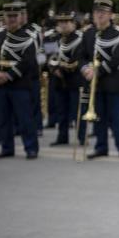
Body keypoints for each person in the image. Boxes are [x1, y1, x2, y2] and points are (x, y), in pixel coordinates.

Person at [79, 0, 119, 158]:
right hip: (95, 84)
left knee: (116, 118)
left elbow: (118, 58)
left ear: (111, 15)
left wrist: (97, 71)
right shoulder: (88, 34)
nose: (99, 15)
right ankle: (101, 147)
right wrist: (85, 69)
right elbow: (81, 56)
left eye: (103, 12)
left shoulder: (118, 35)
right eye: (97, 12)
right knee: (98, 117)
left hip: (114, 83)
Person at [0, 2, 40, 158]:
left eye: (15, 16)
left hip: (19, 84)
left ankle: (31, 148)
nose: (12, 19)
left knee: (25, 118)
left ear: (20, 17)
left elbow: (27, 62)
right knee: (2, 118)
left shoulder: (27, 38)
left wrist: (8, 75)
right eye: (9, 16)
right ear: (4, 17)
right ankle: (7, 147)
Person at [47, 12, 84, 146]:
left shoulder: (80, 39)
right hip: (58, 80)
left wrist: (61, 67)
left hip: (74, 79)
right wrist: (53, 68)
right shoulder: (54, 38)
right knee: (61, 111)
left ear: (73, 24)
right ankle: (62, 136)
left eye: (66, 22)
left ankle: (81, 137)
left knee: (77, 111)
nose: (63, 25)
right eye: (60, 22)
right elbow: (48, 56)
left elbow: (79, 58)